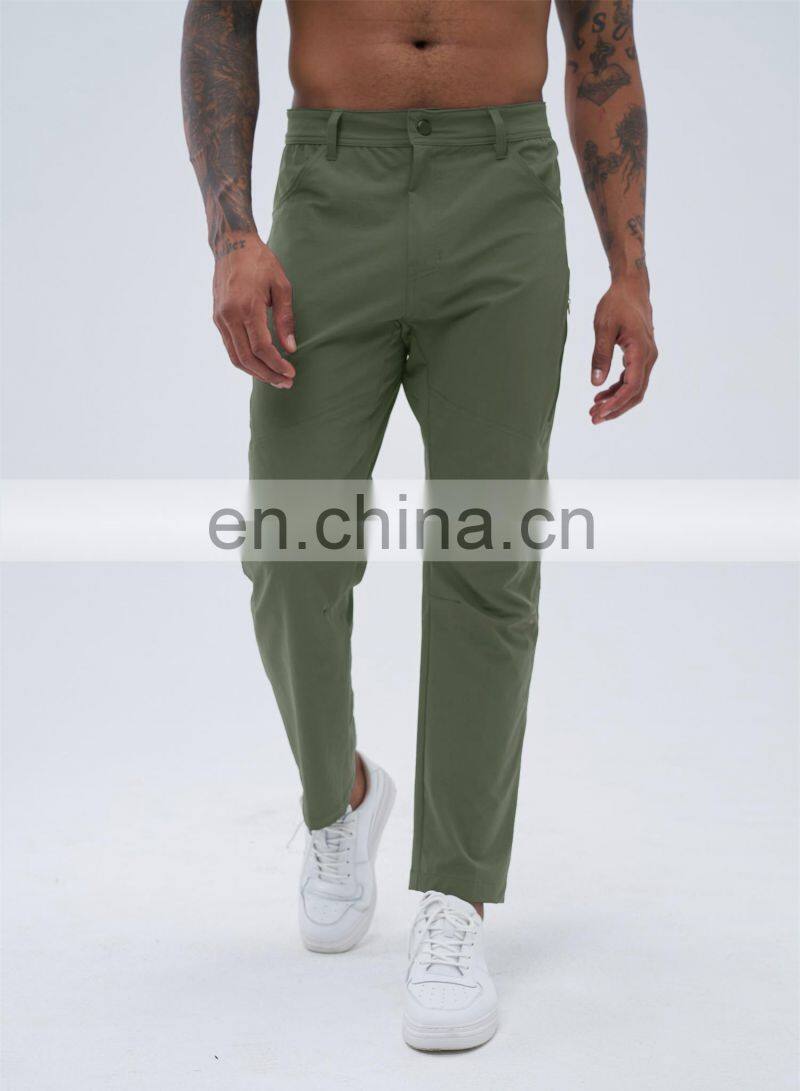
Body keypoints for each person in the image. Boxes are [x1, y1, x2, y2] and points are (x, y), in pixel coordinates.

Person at [181, 0, 657, 1051]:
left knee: (487, 557)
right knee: (290, 549)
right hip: (330, 187)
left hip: (503, 195)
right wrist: (232, 234)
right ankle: (339, 799)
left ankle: (454, 897)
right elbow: (218, 22)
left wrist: (628, 268)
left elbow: (602, 45)